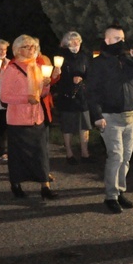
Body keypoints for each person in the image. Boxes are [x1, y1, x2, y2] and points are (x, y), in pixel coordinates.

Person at [86, 24, 133, 213]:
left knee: (126, 157)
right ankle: (110, 196)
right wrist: (97, 116)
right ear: (107, 40)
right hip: (109, 116)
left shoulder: (128, 60)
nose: (121, 42)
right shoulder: (98, 63)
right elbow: (92, 92)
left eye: (122, 38)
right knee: (116, 156)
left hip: (129, 114)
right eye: (116, 38)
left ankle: (120, 191)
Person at [0, 35, 58, 199]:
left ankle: (44, 186)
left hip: (36, 117)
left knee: (40, 153)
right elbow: (4, 97)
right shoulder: (11, 69)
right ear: (18, 49)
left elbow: (42, 94)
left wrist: (46, 85)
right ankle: (16, 184)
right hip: (18, 119)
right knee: (18, 155)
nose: (32, 49)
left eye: (33, 46)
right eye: (27, 46)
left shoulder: (36, 67)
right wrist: (26, 99)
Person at [56, 31, 92, 165]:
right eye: (72, 41)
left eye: (77, 40)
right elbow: (57, 77)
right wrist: (70, 79)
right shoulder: (61, 56)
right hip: (67, 96)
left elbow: (89, 73)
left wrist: (83, 80)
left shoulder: (84, 56)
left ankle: (85, 153)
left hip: (82, 96)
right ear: (66, 43)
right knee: (68, 126)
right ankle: (69, 154)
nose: (75, 43)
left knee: (84, 126)